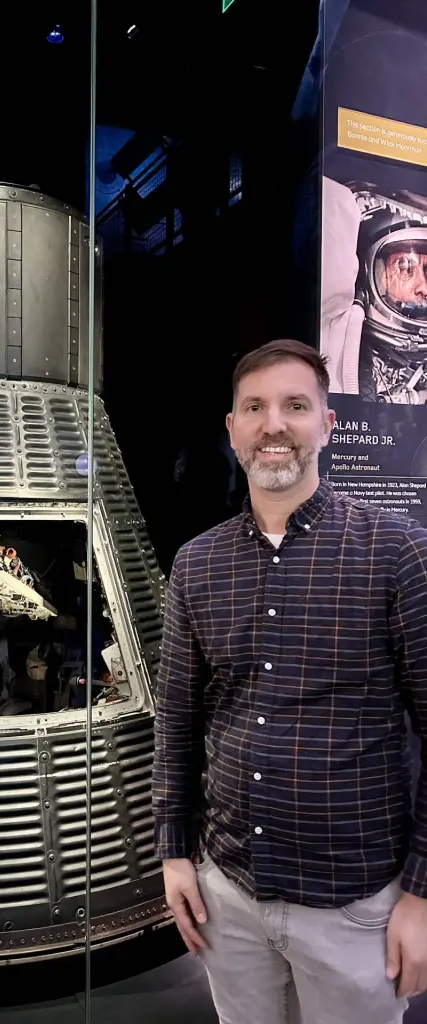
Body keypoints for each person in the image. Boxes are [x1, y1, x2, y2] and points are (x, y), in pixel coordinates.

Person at [152, 338, 427, 1024]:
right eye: (255, 407)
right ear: (233, 428)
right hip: (230, 894)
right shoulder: (197, 565)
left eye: (294, 406)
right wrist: (173, 855)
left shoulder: (393, 552)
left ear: (326, 425)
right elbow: (177, 720)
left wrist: (421, 895)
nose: (273, 424)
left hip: (355, 905)